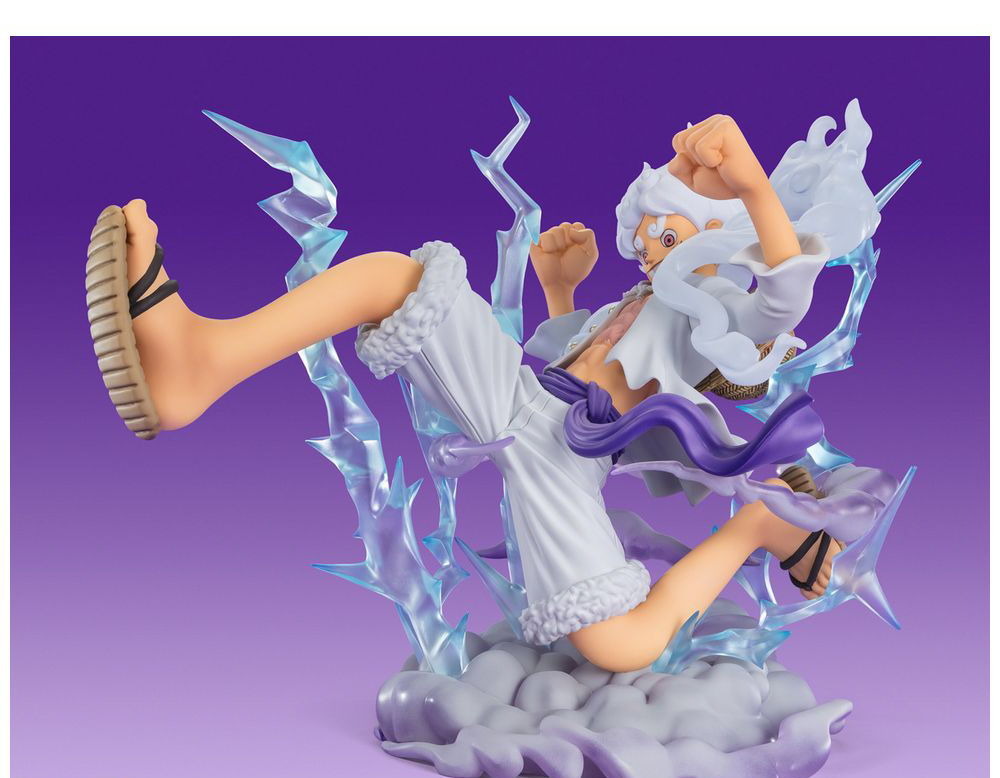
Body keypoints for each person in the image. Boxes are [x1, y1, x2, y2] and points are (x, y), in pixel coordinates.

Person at [87, 114, 845, 673]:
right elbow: (566, 359)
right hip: (522, 398)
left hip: (564, 458)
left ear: (718, 243)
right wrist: (560, 290)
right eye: (648, 236)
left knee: (619, 645)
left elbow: (785, 303)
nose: (649, 251)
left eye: (669, 237)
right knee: (395, 280)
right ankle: (203, 360)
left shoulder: (713, 313)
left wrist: (752, 187)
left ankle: (759, 526)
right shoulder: (639, 302)